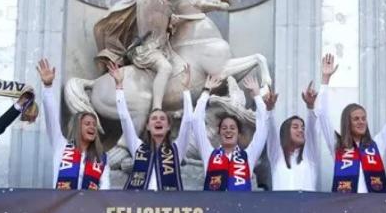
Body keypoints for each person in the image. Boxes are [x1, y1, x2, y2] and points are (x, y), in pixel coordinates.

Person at [318, 54, 386, 194]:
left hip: (374, 209)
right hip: (347, 209)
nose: (361, 122)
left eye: (364, 118)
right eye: (356, 119)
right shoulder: (337, 145)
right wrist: (325, 79)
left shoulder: (377, 144)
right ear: (347, 122)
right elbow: (322, 114)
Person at [110, 61, 194, 190]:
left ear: (168, 127)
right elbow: (125, 119)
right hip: (140, 206)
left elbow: (188, 122)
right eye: (154, 118)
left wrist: (186, 90)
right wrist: (119, 87)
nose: (158, 121)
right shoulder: (138, 147)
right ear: (148, 126)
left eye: (162, 119)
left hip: (168, 206)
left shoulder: (177, 149)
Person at [37, 58, 110, 190]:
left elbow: (105, 190)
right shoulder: (61, 146)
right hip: (62, 208)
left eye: (94, 124)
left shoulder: (101, 158)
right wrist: (48, 87)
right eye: (87, 123)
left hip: (89, 208)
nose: (92, 127)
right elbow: (51, 118)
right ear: (78, 126)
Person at [192, 75, 268, 191]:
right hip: (214, 207)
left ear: (239, 133)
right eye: (224, 128)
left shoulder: (249, 156)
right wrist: (205, 92)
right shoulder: (209, 154)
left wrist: (257, 96)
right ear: (219, 133)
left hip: (240, 207)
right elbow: (197, 123)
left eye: (233, 128)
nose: (228, 130)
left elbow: (262, 128)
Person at [263, 82, 320, 191]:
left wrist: (310, 107)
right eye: (295, 127)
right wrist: (269, 109)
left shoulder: (309, 155)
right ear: (285, 132)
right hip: (281, 207)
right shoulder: (277, 156)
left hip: (308, 207)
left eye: (303, 128)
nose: (301, 130)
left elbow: (312, 129)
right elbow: (271, 131)